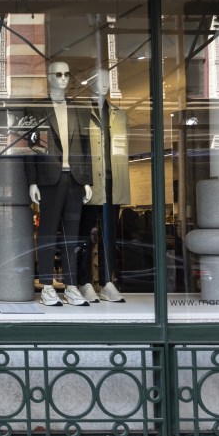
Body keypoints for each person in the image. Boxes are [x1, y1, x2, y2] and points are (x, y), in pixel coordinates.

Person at [26, 61, 93, 307]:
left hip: (74, 178)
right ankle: (46, 285)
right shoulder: (37, 108)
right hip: (49, 179)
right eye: (58, 74)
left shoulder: (78, 108)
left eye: (67, 73)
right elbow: (31, 148)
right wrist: (32, 181)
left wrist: (87, 180)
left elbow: (85, 148)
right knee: (47, 233)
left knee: (72, 236)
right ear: (49, 77)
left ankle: (71, 285)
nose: (64, 78)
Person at [77, 71, 128, 303]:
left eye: (108, 80)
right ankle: (84, 281)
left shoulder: (119, 114)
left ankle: (108, 281)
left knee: (110, 236)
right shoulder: (81, 114)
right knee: (84, 235)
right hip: (89, 182)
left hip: (113, 181)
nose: (105, 84)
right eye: (100, 79)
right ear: (91, 83)